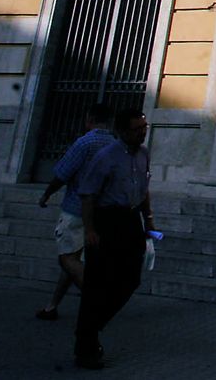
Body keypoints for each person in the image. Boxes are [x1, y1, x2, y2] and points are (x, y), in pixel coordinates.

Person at [72, 109, 153, 370]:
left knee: (131, 279)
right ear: (122, 131)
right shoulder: (105, 157)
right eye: (137, 128)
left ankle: (92, 326)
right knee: (97, 284)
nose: (142, 132)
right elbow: (87, 195)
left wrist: (149, 220)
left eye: (144, 127)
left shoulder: (143, 155)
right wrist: (90, 230)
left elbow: (144, 189)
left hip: (130, 221)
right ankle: (86, 346)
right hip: (106, 221)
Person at [35, 101, 115, 320]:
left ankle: (96, 299)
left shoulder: (85, 143)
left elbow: (63, 173)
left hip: (76, 209)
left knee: (66, 259)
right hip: (104, 212)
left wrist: (47, 194)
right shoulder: (117, 146)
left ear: (89, 119)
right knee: (75, 260)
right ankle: (52, 307)